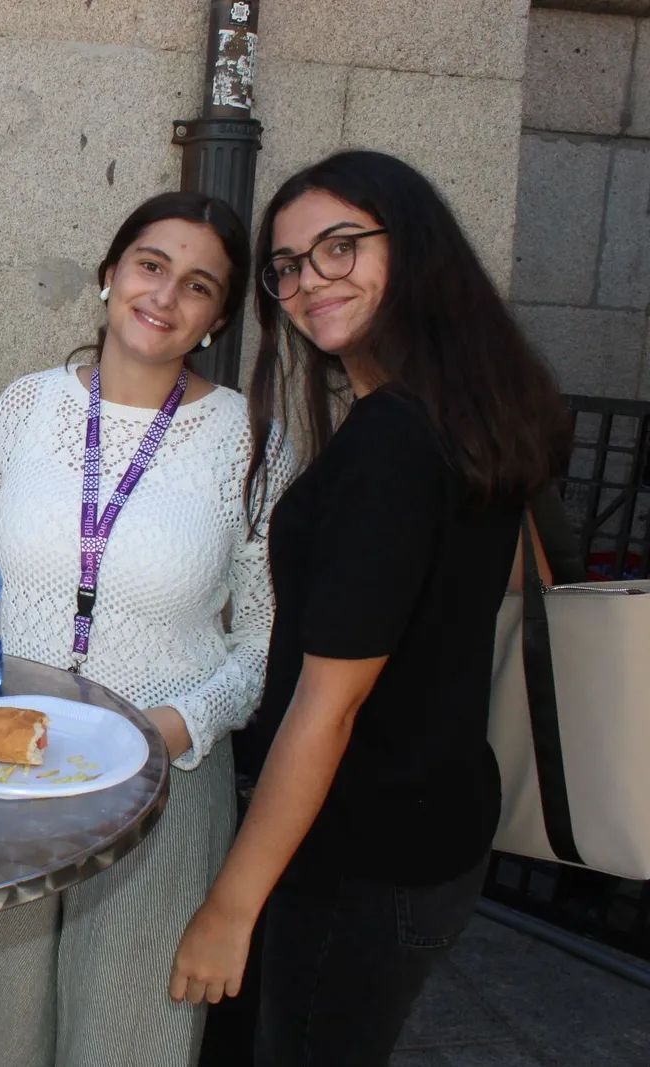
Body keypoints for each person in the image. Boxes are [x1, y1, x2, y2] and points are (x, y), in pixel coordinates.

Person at [169, 150, 571, 1066]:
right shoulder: (472, 408)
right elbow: (494, 587)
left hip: (360, 855)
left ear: (412, 245)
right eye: (289, 266)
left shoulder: (394, 440)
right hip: (432, 832)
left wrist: (231, 907)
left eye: (340, 248)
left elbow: (331, 704)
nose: (310, 282)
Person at [0, 191, 294, 1067]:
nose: (165, 294)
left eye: (197, 284)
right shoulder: (28, 405)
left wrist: (166, 729)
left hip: (164, 781)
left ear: (217, 318)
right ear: (110, 276)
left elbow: (263, 643)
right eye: (151, 265)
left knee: (127, 1036)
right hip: (4, 762)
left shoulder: (250, 439)